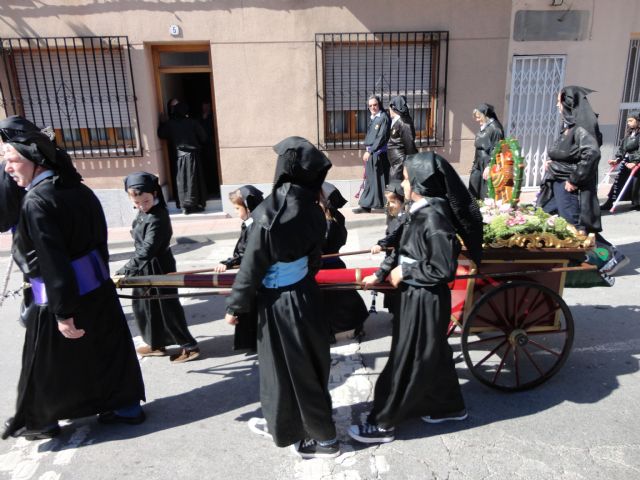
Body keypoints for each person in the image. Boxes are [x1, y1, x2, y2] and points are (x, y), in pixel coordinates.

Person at [1, 117, 146, 441]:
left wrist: (63, 311)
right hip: (98, 290)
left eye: (11, 160)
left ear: (35, 160)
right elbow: (100, 242)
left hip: (59, 296)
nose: (7, 168)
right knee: (108, 353)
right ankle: (125, 408)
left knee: (45, 367)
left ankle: (42, 422)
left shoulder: (38, 201)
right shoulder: (78, 189)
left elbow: (53, 262)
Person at [349, 151, 483, 444]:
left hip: (426, 298)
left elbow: (442, 268)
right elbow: (401, 248)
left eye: (407, 179)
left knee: (407, 358)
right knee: (432, 354)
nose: (403, 184)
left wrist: (405, 272)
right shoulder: (420, 210)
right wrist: (384, 273)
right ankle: (451, 406)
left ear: (420, 183)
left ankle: (384, 422)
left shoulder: (434, 218)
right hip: (417, 295)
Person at [224, 136, 339, 459]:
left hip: (279, 303)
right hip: (305, 295)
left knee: (287, 372)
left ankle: (322, 438)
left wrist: (235, 306)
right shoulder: (313, 208)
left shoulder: (269, 212)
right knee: (309, 368)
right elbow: (315, 256)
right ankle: (291, 428)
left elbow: (252, 265)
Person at [537, 86, 629, 275]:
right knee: (546, 215)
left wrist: (574, 179)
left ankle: (610, 257)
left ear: (567, 103)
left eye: (558, 101)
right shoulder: (568, 128)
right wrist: (552, 163)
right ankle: (566, 259)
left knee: (575, 225)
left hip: (568, 185)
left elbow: (591, 154)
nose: (557, 105)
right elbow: (569, 154)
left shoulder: (581, 129)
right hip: (556, 183)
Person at [116, 172, 200, 363]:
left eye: (145, 201)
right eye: (136, 203)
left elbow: (148, 249)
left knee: (166, 307)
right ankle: (156, 343)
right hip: (143, 267)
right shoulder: (143, 212)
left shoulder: (158, 216)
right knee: (146, 307)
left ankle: (189, 346)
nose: (141, 206)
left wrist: (126, 269)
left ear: (154, 193)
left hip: (159, 267)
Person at [213, 185, 264, 352]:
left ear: (249, 208)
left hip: (253, 275)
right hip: (251, 271)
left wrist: (228, 262)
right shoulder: (250, 223)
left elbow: (247, 253)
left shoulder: (254, 226)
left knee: (249, 309)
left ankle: (257, 344)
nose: (236, 212)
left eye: (237, 208)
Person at [319, 182, 368, 339]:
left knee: (332, 301)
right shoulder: (337, 217)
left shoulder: (326, 223)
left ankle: (331, 331)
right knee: (344, 297)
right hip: (336, 263)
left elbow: (322, 245)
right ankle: (353, 324)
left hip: (326, 266)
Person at [157, 102, 208, 214]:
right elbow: (203, 137)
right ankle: (194, 205)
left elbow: (161, 134)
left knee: (182, 182)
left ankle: (184, 206)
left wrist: (162, 123)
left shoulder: (170, 124)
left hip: (179, 157)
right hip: (193, 156)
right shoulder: (193, 123)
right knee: (193, 181)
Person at [369, 181, 407, 320]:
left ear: (402, 202)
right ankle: (396, 313)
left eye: (392, 202)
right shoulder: (395, 216)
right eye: (388, 202)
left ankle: (400, 315)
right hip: (392, 255)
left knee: (397, 288)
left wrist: (380, 244)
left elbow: (395, 234)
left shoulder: (404, 218)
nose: (389, 205)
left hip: (398, 258)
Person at [353, 95, 390, 214]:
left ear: (379, 104)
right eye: (370, 106)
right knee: (370, 180)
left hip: (379, 154)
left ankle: (388, 206)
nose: (373, 107)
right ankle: (366, 205)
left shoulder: (383, 117)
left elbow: (382, 137)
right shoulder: (374, 118)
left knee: (382, 180)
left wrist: (370, 151)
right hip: (372, 153)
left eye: (375, 105)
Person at [600, 110, 640, 211]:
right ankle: (610, 202)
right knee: (618, 181)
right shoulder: (630, 134)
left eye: (631, 120)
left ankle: (637, 203)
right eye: (628, 121)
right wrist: (617, 159)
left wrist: (635, 162)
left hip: (636, 164)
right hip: (627, 162)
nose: (628, 123)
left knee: (636, 184)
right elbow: (623, 148)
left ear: (638, 121)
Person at [468, 103, 505, 200]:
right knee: (473, 188)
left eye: (478, 117)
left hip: (487, 163)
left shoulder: (496, 128)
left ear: (485, 115)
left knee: (485, 192)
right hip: (478, 163)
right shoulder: (485, 127)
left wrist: (490, 166)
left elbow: (497, 149)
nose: (477, 120)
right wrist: (474, 164)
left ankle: (484, 212)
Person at [387, 95, 418, 181]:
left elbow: (409, 144)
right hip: (396, 161)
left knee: (397, 186)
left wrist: (410, 161)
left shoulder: (404, 123)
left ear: (394, 108)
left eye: (389, 108)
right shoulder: (397, 120)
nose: (389, 110)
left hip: (400, 162)